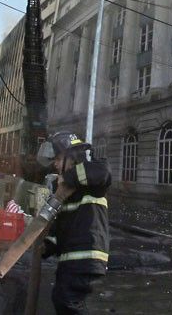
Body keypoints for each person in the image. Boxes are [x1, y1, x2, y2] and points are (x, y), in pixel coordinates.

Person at [38, 131, 111, 315]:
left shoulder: (92, 176)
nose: (55, 164)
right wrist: (48, 246)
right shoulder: (68, 189)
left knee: (67, 302)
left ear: (72, 157)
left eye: (58, 158)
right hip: (72, 258)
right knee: (62, 299)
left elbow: (104, 172)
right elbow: (60, 225)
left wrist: (69, 177)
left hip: (85, 256)